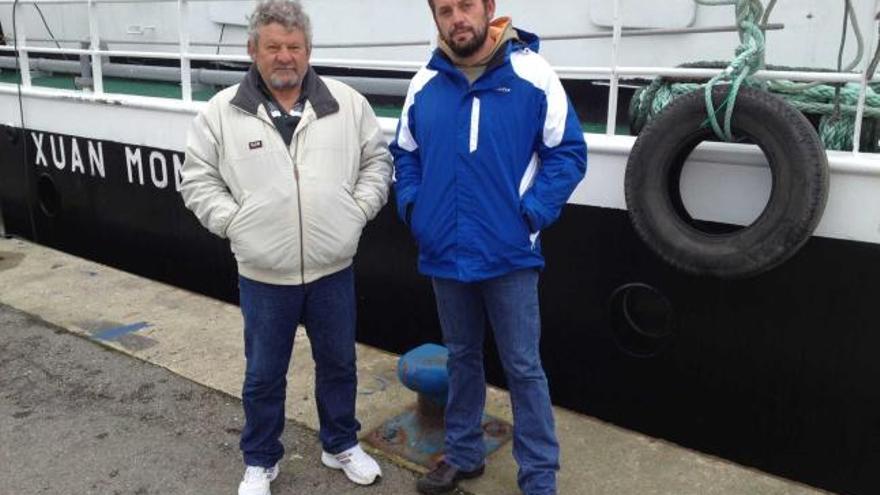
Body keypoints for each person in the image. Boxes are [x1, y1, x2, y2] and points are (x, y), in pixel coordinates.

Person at [180, 1, 392, 494]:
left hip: (332, 269)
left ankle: (340, 443)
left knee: (339, 364)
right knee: (263, 375)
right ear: (252, 49)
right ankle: (260, 458)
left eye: (294, 47)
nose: (284, 56)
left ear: (308, 50)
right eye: (273, 46)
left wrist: (356, 212)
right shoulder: (223, 112)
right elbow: (197, 178)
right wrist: (235, 224)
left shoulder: (346, 104)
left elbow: (376, 163)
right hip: (264, 274)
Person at [391, 0, 588, 494]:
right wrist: (416, 210)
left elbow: (567, 152)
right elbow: (405, 155)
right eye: (445, 11)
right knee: (462, 357)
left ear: (489, 8)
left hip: (509, 254)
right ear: (436, 19)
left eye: (466, 6)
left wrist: (532, 213)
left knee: (523, 366)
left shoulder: (532, 74)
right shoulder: (424, 83)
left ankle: (539, 477)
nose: (457, 19)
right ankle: (462, 454)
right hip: (445, 252)